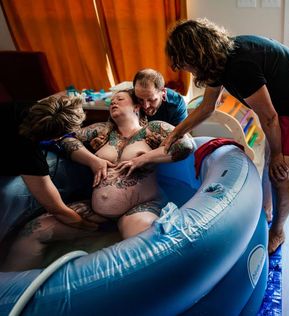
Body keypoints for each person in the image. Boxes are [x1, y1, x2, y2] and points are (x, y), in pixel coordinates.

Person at [163, 18, 289, 254]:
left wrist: (279, 154)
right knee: (270, 161)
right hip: (286, 103)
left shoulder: (239, 66)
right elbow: (207, 107)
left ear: (196, 55)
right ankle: (266, 210)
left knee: (278, 174)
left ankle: (278, 231)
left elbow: (269, 118)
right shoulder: (216, 62)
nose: (186, 71)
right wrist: (176, 132)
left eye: (185, 64)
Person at [1, 90, 194, 271]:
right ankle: (12, 294)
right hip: (95, 211)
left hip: (139, 207)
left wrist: (142, 159)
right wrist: (92, 160)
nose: (114, 101)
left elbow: (186, 145)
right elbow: (65, 139)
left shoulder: (153, 128)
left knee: (145, 245)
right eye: (113, 100)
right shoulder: (101, 131)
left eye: (121, 98)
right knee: (31, 232)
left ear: (137, 107)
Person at [0, 95, 105, 231]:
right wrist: (89, 227)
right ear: (55, 137)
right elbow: (57, 209)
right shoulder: (28, 155)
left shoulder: (30, 108)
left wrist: (94, 160)